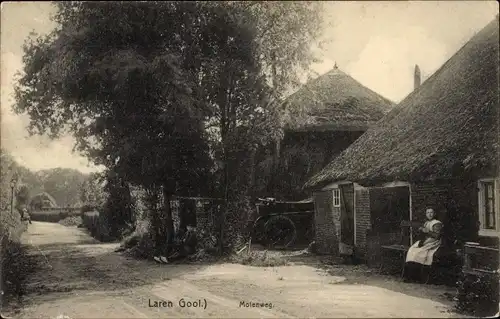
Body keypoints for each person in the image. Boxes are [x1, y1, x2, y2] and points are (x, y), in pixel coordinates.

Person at [404, 208, 443, 283]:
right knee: (411, 250)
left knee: (418, 253)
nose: (430, 214)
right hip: (427, 241)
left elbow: (437, 236)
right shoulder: (427, 222)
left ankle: (417, 277)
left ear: (434, 214)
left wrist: (427, 231)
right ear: (426, 214)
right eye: (428, 212)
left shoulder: (437, 223)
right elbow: (423, 234)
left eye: (431, 212)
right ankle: (411, 276)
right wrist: (421, 231)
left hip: (433, 242)